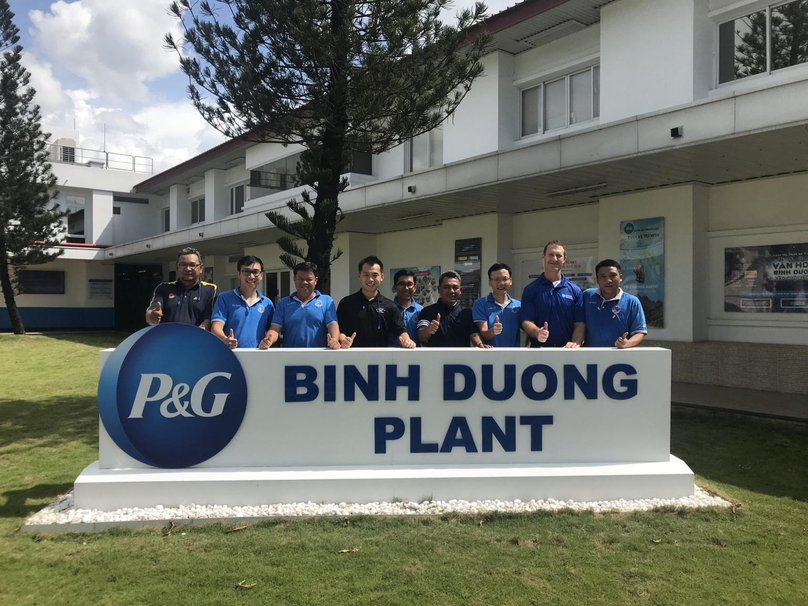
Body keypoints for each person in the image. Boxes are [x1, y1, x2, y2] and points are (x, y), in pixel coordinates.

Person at [337, 256, 416, 348]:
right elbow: (340, 331)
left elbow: (400, 331)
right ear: (359, 276)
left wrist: (408, 342)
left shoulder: (390, 306)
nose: (370, 279)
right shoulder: (346, 303)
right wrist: (344, 340)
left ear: (382, 277)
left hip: (381, 360)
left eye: (375, 275)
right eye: (366, 275)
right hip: (352, 358)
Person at [258, 262, 341, 349]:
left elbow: (332, 324)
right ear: (294, 279)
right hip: (290, 357)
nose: (304, 282)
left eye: (309, 279)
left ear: (316, 280)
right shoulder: (283, 303)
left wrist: (335, 340)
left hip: (319, 357)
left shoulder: (327, 301)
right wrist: (268, 340)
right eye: (300, 279)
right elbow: (275, 328)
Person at [521, 240, 585, 348]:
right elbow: (526, 321)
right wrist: (537, 332)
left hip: (566, 350)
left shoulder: (575, 290)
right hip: (539, 350)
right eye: (550, 255)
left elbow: (579, 323)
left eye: (558, 255)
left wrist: (576, 343)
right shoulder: (531, 290)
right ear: (543, 257)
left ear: (564, 259)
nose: (554, 259)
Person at [210, 255, 274, 349]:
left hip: (257, 356)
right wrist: (225, 339)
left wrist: (268, 341)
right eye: (246, 271)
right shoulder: (224, 298)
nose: (251, 276)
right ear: (238, 274)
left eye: (255, 272)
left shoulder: (267, 303)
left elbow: (272, 330)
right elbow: (216, 327)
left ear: (261, 275)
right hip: (231, 355)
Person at [145, 247, 217, 329]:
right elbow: (149, 314)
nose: (188, 269)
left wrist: (193, 337)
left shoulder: (211, 290)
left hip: (197, 339)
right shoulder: (163, 288)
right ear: (177, 267)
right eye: (183, 265)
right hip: (167, 340)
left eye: (192, 265)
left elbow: (209, 319)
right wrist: (152, 317)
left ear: (201, 268)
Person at [583, 259, 647, 348]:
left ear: (620, 277)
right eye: (603, 276)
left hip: (618, 357)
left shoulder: (632, 301)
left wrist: (627, 343)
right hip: (588, 357)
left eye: (612, 276)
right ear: (597, 279)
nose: (608, 280)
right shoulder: (587, 296)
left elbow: (639, 332)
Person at [418, 270, 488, 348]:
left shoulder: (466, 313)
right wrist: (429, 330)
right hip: (436, 359)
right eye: (446, 287)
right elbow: (421, 337)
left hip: (461, 358)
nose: (451, 291)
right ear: (439, 289)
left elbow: (474, 334)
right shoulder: (427, 311)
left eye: (455, 287)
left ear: (460, 290)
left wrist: (479, 344)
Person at [473, 263, 523, 347]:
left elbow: (527, 327)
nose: (501, 283)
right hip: (491, 355)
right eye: (496, 279)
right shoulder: (481, 304)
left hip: (513, 356)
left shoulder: (518, 305)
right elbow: (484, 332)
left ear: (510, 281)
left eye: (505, 279)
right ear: (490, 282)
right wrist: (493, 331)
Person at [388, 269, 423, 347]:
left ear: (414, 288)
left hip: (414, 356)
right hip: (392, 356)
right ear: (394, 287)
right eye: (401, 284)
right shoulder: (388, 309)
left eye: (409, 284)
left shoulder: (421, 310)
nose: (406, 288)